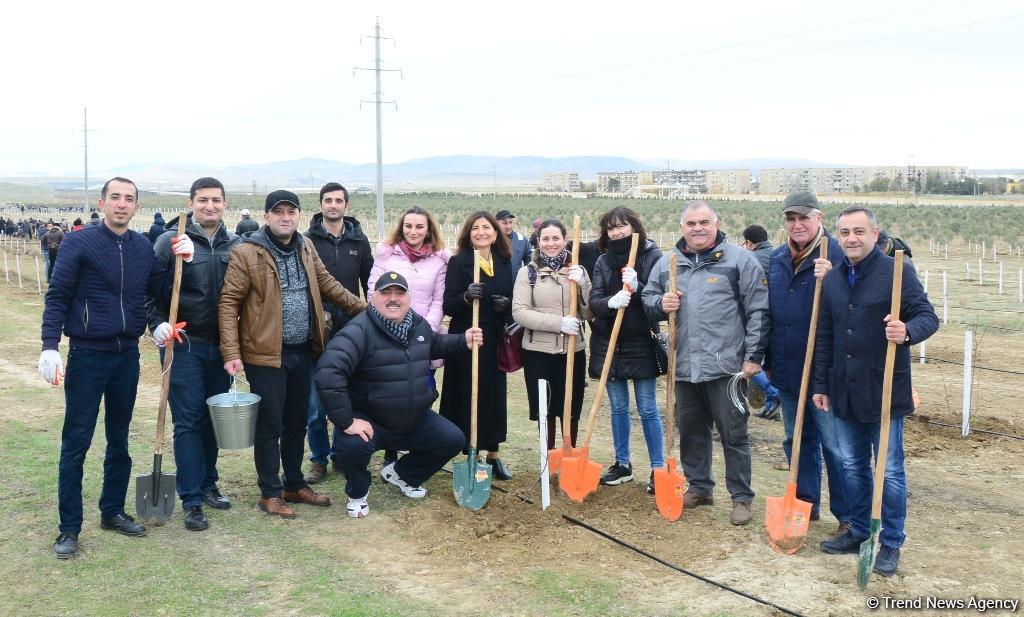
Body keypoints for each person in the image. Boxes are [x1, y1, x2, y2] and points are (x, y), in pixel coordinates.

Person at [39, 177, 185, 559]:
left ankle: (112, 511)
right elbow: (57, 295)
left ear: (136, 206)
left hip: (126, 357)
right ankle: (69, 528)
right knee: (77, 441)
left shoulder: (140, 247)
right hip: (88, 355)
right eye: (115, 198)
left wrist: (182, 260)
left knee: (119, 438)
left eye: (129, 199)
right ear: (103, 203)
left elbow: (160, 290)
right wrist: (50, 346)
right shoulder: (78, 243)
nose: (122, 204)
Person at [218, 189, 366, 519]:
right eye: (279, 211)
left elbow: (328, 284)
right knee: (270, 426)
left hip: (305, 350)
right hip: (265, 355)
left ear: (299, 215)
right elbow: (228, 304)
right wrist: (231, 351)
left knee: (297, 421)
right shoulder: (247, 253)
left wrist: (368, 312)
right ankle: (269, 492)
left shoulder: (305, 246)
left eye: (292, 211)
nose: (286, 217)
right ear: (267, 216)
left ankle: (294, 483)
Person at [814, 206, 938, 577]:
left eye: (858, 231)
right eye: (844, 232)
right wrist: (821, 384)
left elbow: (927, 316)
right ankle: (857, 529)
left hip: (883, 388)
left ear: (874, 233)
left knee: (890, 471)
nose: (851, 238)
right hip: (842, 391)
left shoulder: (896, 273)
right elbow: (825, 335)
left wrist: (907, 331)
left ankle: (891, 541)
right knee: (851, 465)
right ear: (837, 237)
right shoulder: (833, 279)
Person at [642, 200, 769, 526]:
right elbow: (647, 299)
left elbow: (758, 310)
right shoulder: (668, 262)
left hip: (725, 367)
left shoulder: (741, 260)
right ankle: (700, 487)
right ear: (682, 227)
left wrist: (753, 357)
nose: (697, 228)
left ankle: (741, 497)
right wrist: (660, 303)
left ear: (716, 223)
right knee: (691, 430)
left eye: (704, 222)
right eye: (691, 223)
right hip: (683, 365)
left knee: (733, 434)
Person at [317, 272, 481, 517]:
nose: (393, 298)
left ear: (409, 298)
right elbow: (328, 373)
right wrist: (347, 421)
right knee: (351, 447)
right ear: (373, 298)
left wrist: (462, 340)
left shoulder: (417, 324)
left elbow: (433, 343)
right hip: (372, 420)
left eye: (399, 293)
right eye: (386, 293)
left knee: (453, 439)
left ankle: (402, 474)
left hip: (414, 419)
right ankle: (358, 492)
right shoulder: (357, 331)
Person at [146, 177, 241, 531]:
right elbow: (150, 289)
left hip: (223, 346)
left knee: (212, 418)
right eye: (203, 200)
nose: (210, 206)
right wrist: (156, 323)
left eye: (216, 200)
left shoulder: (237, 245)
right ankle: (192, 498)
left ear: (225, 204)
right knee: (188, 421)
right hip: (184, 344)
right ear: (191, 203)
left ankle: (208, 482)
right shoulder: (168, 241)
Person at [765, 190, 850, 535]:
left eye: (804, 217)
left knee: (834, 444)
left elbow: (853, 310)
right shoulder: (777, 257)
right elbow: (771, 312)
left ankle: (847, 515)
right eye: (791, 218)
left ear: (819, 219)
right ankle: (804, 503)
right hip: (786, 367)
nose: (797, 224)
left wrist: (833, 281)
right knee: (795, 438)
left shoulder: (839, 256)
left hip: (825, 372)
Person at [588, 208, 664, 493]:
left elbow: (660, 306)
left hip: (641, 342)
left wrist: (639, 286)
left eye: (622, 226)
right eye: (611, 228)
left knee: (647, 408)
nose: (617, 232)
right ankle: (622, 464)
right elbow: (594, 301)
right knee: (618, 408)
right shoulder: (603, 261)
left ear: (635, 227)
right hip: (609, 342)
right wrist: (610, 302)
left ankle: (658, 469)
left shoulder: (653, 257)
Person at [302, 182, 374, 484]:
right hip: (317, 332)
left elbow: (370, 285)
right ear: (320, 205)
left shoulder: (359, 241)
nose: (333, 205)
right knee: (316, 405)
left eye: (338, 201)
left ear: (346, 206)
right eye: (327, 200)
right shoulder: (305, 241)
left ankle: (343, 454)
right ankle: (319, 459)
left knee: (351, 399)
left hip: (353, 332)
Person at [367, 206, 450, 466]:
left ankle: (414, 446)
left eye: (419, 227)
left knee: (421, 395)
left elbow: (439, 301)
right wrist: (390, 328)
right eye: (408, 226)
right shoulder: (387, 257)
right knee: (392, 396)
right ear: (401, 228)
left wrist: (425, 331)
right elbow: (373, 293)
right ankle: (390, 448)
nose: (413, 231)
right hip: (388, 336)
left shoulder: (438, 262)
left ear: (428, 231)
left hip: (424, 337)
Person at [441, 211, 515, 479]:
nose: (481, 232)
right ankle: (466, 449)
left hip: (493, 337)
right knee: (465, 392)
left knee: (492, 395)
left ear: (496, 233)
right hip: (466, 337)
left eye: (486, 227)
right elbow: (448, 304)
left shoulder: (505, 263)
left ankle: (493, 455)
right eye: (475, 228)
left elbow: (514, 302)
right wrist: (464, 297)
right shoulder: (458, 262)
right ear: (468, 234)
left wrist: (506, 307)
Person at [512, 218, 591, 454]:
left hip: (573, 351)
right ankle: (548, 459)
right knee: (545, 410)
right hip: (539, 354)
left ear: (565, 239)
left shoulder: (578, 270)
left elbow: (588, 312)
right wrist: (559, 324)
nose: (551, 243)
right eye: (545, 238)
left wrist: (583, 283)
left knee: (571, 407)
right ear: (538, 241)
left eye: (556, 238)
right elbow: (520, 313)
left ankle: (569, 456)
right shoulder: (528, 273)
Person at [741, 224, 781, 418]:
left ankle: (774, 393)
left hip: (756, 317)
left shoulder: (750, 259)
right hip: (777, 317)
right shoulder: (778, 254)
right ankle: (770, 404)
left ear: (749, 243)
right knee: (765, 362)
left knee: (750, 360)